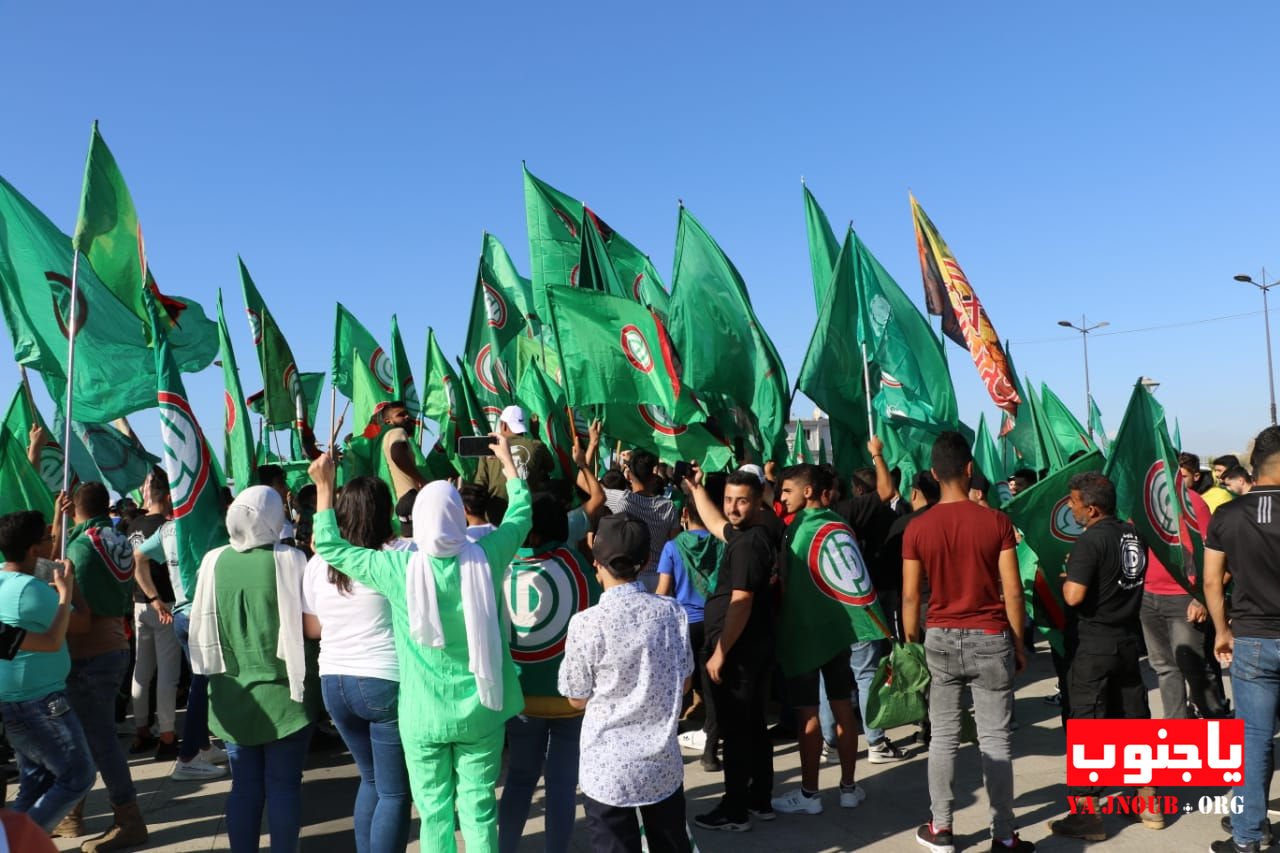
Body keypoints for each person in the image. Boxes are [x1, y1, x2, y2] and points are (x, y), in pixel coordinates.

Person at [309, 433, 531, 853]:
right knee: (479, 809)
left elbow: (330, 547)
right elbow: (520, 515)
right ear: (458, 518)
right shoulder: (488, 555)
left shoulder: (397, 567)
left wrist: (324, 487)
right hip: (482, 708)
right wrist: (508, 465)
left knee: (434, 812)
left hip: (421, 714)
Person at [902, 433, 1032, 853]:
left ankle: (941, 829)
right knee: (995, 740)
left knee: (942, 737)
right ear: (970, 469)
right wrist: (1018, 643)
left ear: (935, 474)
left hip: (939, 635)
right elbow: (1012, 591)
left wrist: (910, 643)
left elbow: (910, 596)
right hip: (991, 635)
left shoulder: (917, 527)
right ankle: (1005, 835)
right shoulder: (995, 521)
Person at [189, 485, 316, 853]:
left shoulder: (213, 561)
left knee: (244, 787)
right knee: (284, 786)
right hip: (286, 698)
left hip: (231, 697)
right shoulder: (290, 560)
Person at [558, 514, 694, 853]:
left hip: (607, 768)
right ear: (646, 560)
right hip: (661, 763)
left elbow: (576, 698)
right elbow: (685, 681)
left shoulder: (585, 624)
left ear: (596, 563)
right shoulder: (671, 612)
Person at [302, 476, 413, 853]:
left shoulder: (319, 562)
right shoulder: (399, 553)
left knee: (370, 781)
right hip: (382, 679)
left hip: (333, 680)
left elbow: (312, 628)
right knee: (395, 793)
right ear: (385, 513)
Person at [1048, 473, 1158, 840]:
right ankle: (1149, 800)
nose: (1071, 508)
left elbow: (1075, 596)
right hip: (1128, 641)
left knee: (1088, 726)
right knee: (1134, 720)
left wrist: (1068, 576)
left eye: (1075, 503)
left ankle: (1087, 815)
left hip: (1094, 643)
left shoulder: (1090, 541)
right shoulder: (1133, 534)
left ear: (1092, 508)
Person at [770, 464, 877, 815]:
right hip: (837, 633)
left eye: (787, 491)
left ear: (808, 492)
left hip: (803, 635)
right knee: (843, 708)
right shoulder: (839, 525)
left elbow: (785, 580)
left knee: (808, 715)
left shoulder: (795, 529)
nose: (782, 498)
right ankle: (848, 787)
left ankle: (809, 794)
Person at [497, 494, 600, 853]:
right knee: (561, 784)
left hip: (521, 695)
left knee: (520, 779)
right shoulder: (578, 564)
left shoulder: (504, 565)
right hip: (570, 698)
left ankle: (504, 846)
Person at [682, 470, 777, 832]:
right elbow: (718, 522)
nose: (733, 508)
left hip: (738, 650)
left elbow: (741, 602)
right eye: (728, 499)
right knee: (752, 724)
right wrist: (696, 488)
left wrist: (720, 652)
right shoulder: (745, 532)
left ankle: (735, 811)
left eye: (742, 501)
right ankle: (759, 799)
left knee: (737, 731)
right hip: (748, 647)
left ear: (757, 501)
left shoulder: (751, 544)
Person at [1205, 426, 1280, 853]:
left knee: (1254, 737)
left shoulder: (1228, 515)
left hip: (1251, 638)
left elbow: (1213, 582)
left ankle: (1248, 835)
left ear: (1255, 465)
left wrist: (1221, 630)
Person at [63, 481, 149, 851]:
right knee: (83, 738)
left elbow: (72, 607)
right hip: (113, 642)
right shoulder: (113, 538)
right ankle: (71, 815)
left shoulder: (82, 547)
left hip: (89, 650)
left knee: (98, 742)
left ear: (74, 508)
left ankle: (128, 818)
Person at [0, 510, 95, 834]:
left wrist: (55, 523)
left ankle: (11, 841)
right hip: (41, 704)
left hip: (15, 703)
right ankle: (22, 842)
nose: (53, 542)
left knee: (35, 780)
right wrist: (70, 589)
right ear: (32, 549)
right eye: (47, 539)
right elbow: (79, 624)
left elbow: (43, 565)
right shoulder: (33, 592)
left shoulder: (3, 575)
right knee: (78, 776)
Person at [133, 508, 228, 783]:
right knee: (202, 684)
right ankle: (187, 757)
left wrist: (153, 597)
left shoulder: (167, 529)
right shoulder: (211, 522)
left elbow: (138, 557)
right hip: (202, 616)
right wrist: (153, 598)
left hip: (182, 616)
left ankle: (203, 747)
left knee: (202, 683)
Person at [1139, 478, 1225, 721]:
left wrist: (1201, 598)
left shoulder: (1193, 502)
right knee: (1165, 668)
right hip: (1148, 596)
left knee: (1194, 667)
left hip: (1184, 598)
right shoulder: (1142, 502)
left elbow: (1213, 551)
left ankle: (1216, 727)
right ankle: (1177, 732)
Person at [657, 489, 724, 772]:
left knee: (678, 686)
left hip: (684, 624)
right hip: (715, 622)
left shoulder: (673, 547)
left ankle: (667, 742)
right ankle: (710, 751)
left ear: (684, 514)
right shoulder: (722, 543)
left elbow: (663, 591)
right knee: (712, 689)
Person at [125, 469, 182, 762]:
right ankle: (168, 736)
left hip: (139, 603)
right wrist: (157, 598)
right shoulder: (168, 527)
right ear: (169, 496)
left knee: (142, 669)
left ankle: (141, 729)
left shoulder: (132, 525)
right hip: (164, 604)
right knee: (167, 675)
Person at [604, 450, 680, 591]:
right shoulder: (668, 506)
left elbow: (590, 488)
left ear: (629, 475)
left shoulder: (623, 501)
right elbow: (675, 546)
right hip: (660, 579)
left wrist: (585, 459)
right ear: (653, 475)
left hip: (631, 578)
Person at [474, 405, 555, 503]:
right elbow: (550, 467)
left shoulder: (489, 448)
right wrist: (535, 435)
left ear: (503, 425)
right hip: (527, 513)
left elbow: (479, 485)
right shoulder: (537, 445)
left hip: (496, 514)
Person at [379, 401, 428, 501]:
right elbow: (397, 455)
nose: (407, 417)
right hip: (408, 496)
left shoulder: (384, 438)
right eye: (400, 415)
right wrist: (421, 480)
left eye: (407, 414)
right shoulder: (398, 432)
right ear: (388, 421)